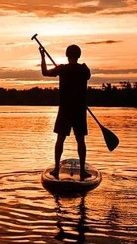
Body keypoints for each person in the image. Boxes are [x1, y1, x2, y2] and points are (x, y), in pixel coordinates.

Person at [40, 44, 91, 180]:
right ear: (79, 55)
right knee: (81, 140)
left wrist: (42, 56)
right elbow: (87, 76)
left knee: (60, 140)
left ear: (67, 55)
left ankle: (57, 169)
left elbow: (45, 72)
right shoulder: (84, 69)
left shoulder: (62, 69)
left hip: (65, 110)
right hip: (79, 110)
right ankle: (82, 171)